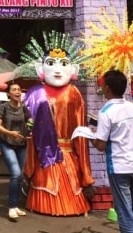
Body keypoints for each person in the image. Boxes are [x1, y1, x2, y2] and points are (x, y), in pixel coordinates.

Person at [23, 35, 95, 216]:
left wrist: (87, 177)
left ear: (74, 69)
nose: (57, 69)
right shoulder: (35, 93)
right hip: (44, 153)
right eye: (51, 63)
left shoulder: (74, 93)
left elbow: (80, 135)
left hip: (67, 153)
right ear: (40, 68)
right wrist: (28, 168)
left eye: (63, 64)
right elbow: (31, 134)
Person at [89, 70, 133, 233]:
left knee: (124, 213)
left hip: (119, 169)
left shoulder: (106, 112)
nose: (102, 88)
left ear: (108, 88)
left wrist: (89, 136)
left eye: (103, 86)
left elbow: (101, 145)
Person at [0, 83, 30, 221]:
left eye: (19, 89)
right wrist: (11, 133)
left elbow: (28, 123)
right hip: (7, 143)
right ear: (9, 93)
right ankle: (11, 207)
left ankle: (15, 206)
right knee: (15, 173)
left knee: (20, 175)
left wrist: (29, 132)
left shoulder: (24, 108)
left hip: (21, 144)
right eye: (14, 89)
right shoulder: (3, 107)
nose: (17, 91)